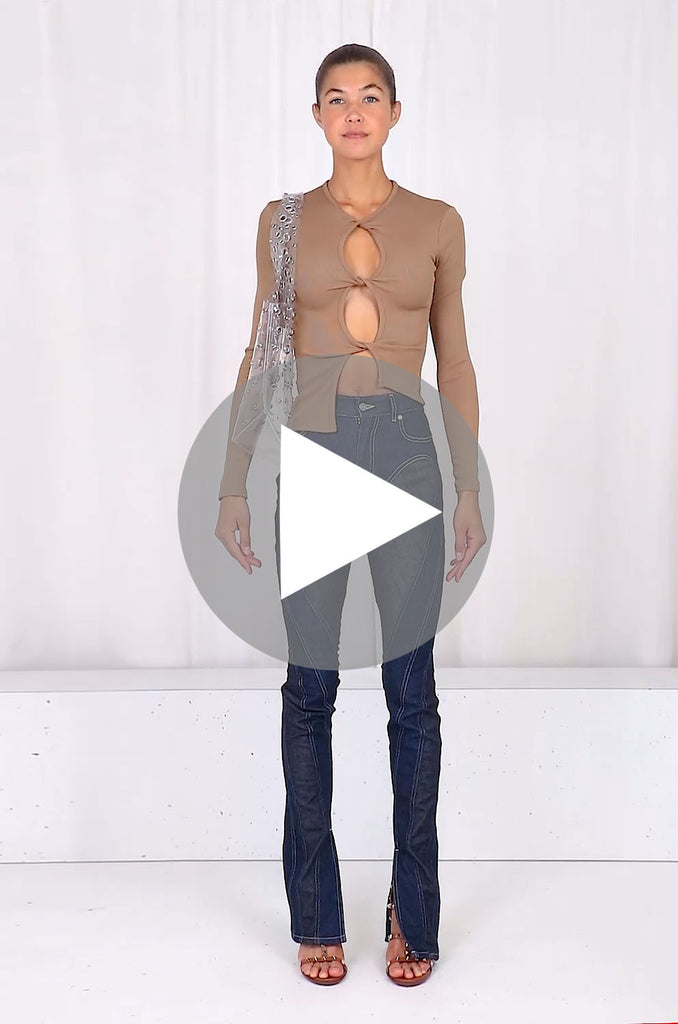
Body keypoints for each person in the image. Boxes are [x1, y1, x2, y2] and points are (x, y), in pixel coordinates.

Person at [215, 43, 486, 986]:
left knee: (412, 694)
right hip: (315, 454)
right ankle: (317, 912)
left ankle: (415, 907)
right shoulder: (284, 221)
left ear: (395, 112)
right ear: (318, 116)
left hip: (407, 452)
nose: (354, 111)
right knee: (311, 690)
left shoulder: (437, 222)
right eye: (336, 98)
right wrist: (234, 477)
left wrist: (467, 485)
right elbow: (262, 348)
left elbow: (454, 358)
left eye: (370, 95)